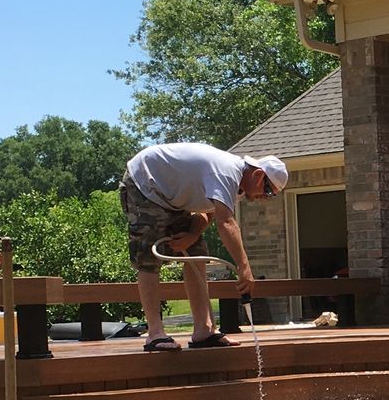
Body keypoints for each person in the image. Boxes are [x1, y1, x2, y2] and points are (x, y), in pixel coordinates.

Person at [119, 142, 287, 351]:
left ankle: (203, 330)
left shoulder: (237, 186)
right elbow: (226, 222)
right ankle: (155, 334)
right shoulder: (228, 172)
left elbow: (208, 212)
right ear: (259, 176)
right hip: (145, 182)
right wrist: (244, 267)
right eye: (268, 191)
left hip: (170, 198)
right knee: (148, 256)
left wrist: (192, 234)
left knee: (197, 252)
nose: (265, 198)